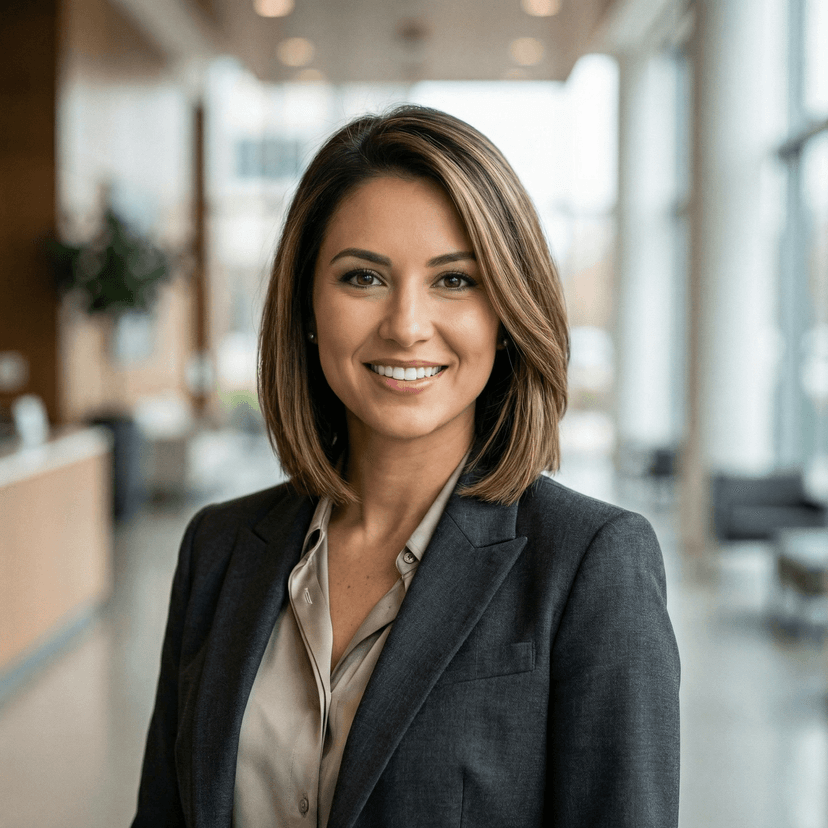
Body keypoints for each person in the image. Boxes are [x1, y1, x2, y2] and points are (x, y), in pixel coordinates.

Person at [132, 105, 680, 828]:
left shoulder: (591, 566)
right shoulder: (218, 548)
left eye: (455, 281)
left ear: (506, 313)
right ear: (307, 306)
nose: (407, 325)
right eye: (363, 277)